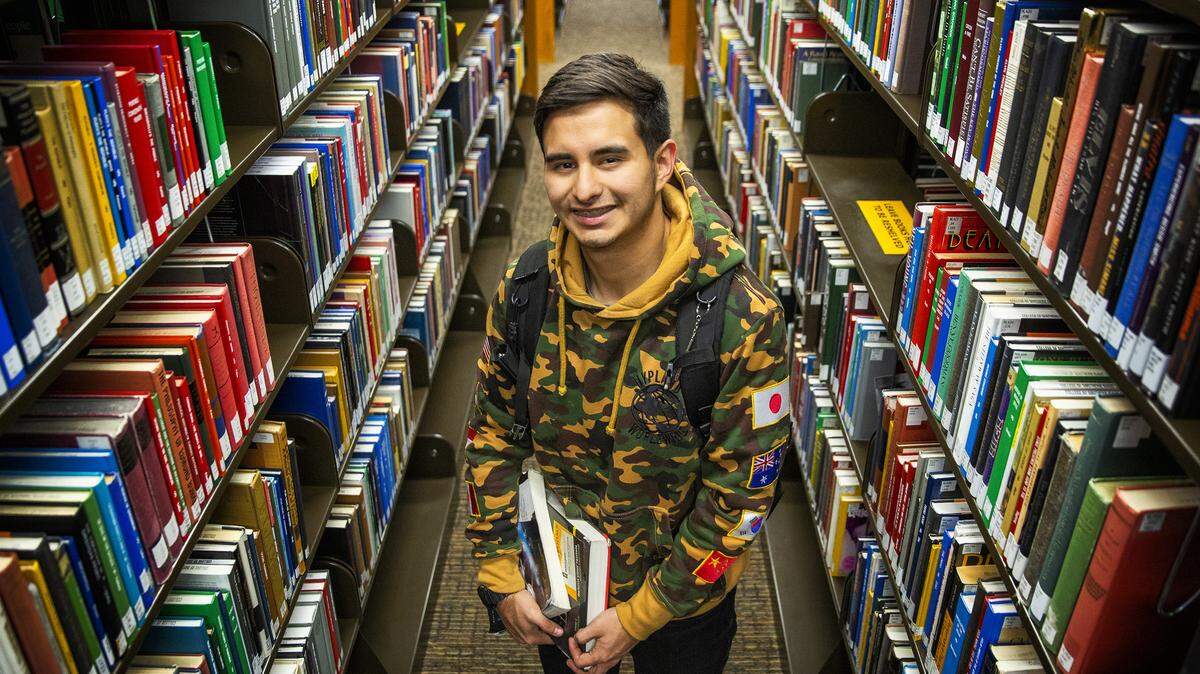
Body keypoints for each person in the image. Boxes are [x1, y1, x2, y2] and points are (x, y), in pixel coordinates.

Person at [465, 52, 791, 674]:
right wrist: (502, 570)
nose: (584, 189)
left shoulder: (741, 317)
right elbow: (492, 435)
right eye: (564, 165)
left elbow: (741, 499)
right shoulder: (527, 287)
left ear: (663, 162)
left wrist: (642, 616)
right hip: (563, 580)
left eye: (610, 158)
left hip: (681, 599)